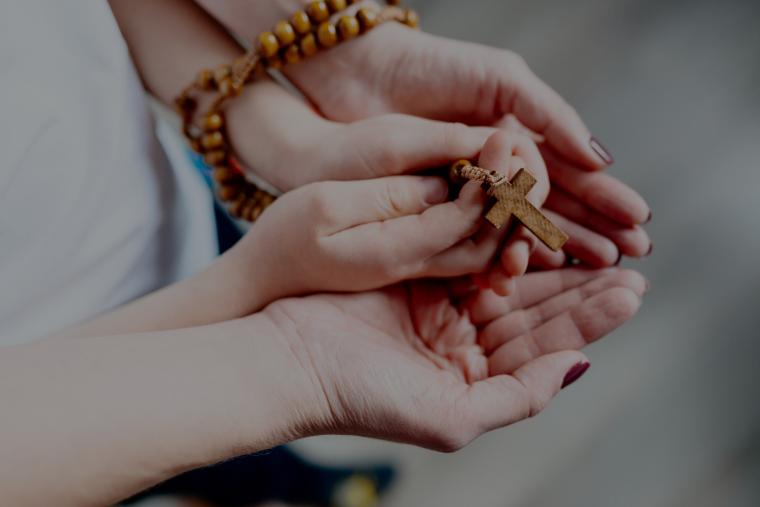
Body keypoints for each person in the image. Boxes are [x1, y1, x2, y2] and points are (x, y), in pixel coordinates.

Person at [0, 0, 650, 504]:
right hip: (79, 424)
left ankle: (297, 484)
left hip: (174, 217)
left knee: (259, 465)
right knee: (198, 466)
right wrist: (276, 342)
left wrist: (295, 134)